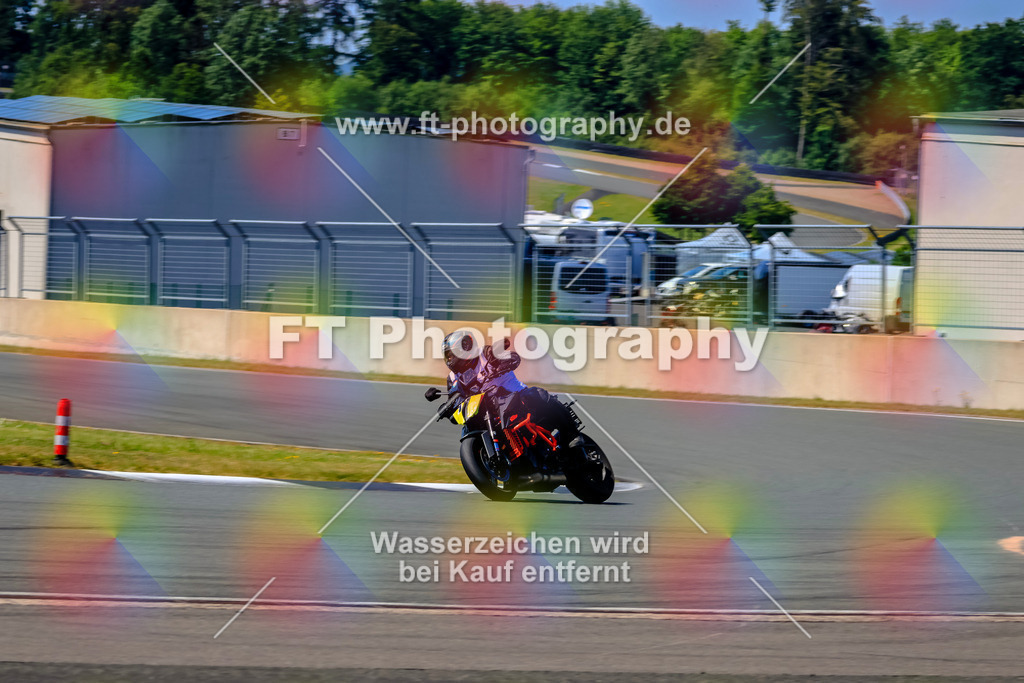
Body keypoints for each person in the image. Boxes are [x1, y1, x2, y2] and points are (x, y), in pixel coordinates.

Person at [441, 330, 579, 447]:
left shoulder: (486, 353)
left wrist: (504, 364)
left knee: (538, 394)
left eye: (451, 354)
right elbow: (454, 399)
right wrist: (446, 408)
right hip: (487, 411)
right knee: (468, 427)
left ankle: (572, 434)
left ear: (464, 348)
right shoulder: (453, 378)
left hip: (515, 396)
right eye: (447, 356)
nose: (450, 359)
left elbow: (512, 357)